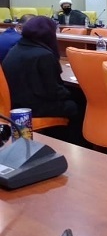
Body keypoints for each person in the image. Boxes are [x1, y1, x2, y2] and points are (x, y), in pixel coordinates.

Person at [2, 16, 86, 146]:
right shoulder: (44, 55)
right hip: (33, 108)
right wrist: (73, 94)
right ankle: (76, 147)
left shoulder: (15, 49)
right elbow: (54, 92)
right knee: (79, 104)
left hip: (16, 104)